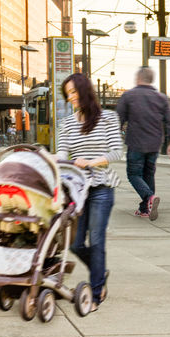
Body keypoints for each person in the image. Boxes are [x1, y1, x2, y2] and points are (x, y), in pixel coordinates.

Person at [59, 82, 124, 310]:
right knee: (75, 244)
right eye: (67, 94)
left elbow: (116, 151)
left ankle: (96, 294)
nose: (71, 97)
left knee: (96, 241)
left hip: (101, 186)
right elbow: (61, 153)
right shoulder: (66, 123)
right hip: (77, 189)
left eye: (74, 92)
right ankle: (100, 271)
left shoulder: (108, 118)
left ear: (86, 91)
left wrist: (91, 162)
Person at [117, 71, 170, 219]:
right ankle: (144, 209)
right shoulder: (162, 98)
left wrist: (113, 137)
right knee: (149, 174)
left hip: (136, 142)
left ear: (138, 79)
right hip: (155, 144)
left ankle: (149, 197)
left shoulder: (129, 96)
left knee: (134, 174)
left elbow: (119, 119)